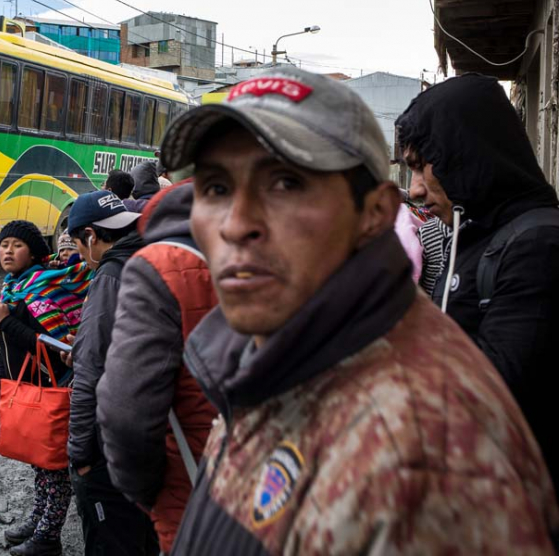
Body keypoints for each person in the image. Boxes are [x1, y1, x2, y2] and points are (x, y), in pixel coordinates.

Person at [158, 67, 559, 554]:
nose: (236, 224)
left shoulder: (417, 458)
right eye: (216, 188)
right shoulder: (261, 365)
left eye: (285, 183)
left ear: (374, 216)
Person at [396, 73, 559, 488]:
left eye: (420, 168)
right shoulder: (474, 233)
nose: (413, 190)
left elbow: (493, 390)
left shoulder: (537, 244)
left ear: (462, 155)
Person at [95, 181, 218, 553]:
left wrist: (147, 494)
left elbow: (125, 413)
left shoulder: (160, 267)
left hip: (193, 492)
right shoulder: (297, 252)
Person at [65, 191, 159, 556]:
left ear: (90, 235)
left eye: (76, 245)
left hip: (112, 446)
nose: (79, 257)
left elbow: (90, 371)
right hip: (152, 440)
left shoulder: (109, 276)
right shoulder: (149, 259)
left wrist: (80, 456)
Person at [0, 220, 91, 556]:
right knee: (38, 461)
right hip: (22, 385)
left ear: (33, 252)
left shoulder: (42, 291)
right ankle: (39, 517)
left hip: (47, 387)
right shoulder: (14, 288)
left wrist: (7, 321)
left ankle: (49, 535)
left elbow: (52, 346)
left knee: (54, 465)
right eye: (4, 244)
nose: (8, 251)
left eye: (16, 245)